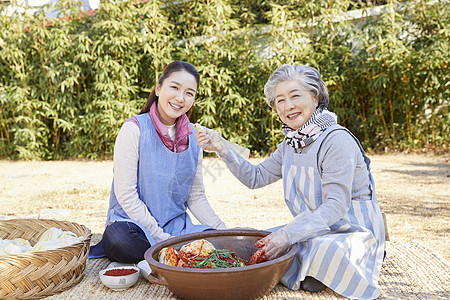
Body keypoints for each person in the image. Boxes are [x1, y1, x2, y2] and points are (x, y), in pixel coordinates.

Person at [195, 64, 385, 299]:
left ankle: (329, 267)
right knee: (259, 242)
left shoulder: (336, 140)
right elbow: (255, 178)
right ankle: (308, 271)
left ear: (315, 97)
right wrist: (222, 148)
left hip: (351, 231)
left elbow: (336, 205)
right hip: (313, 231)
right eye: (280, 100)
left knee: (320, 249)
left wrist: (287, 235)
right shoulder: (291, 143)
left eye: (295, 96)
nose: (289, 106)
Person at [89, 61, 226, 263]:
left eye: (189, 93)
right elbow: (126, 195)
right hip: (134, 226)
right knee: (120, 240)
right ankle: (174, 252)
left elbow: (195, 196)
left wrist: (225, 232)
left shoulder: (195, 139)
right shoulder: (134, 129)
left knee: (219, 241)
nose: (180, 98)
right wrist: (162, 239)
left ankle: (169, 255)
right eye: (174, 87)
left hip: (177, 229)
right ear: (159, 88)